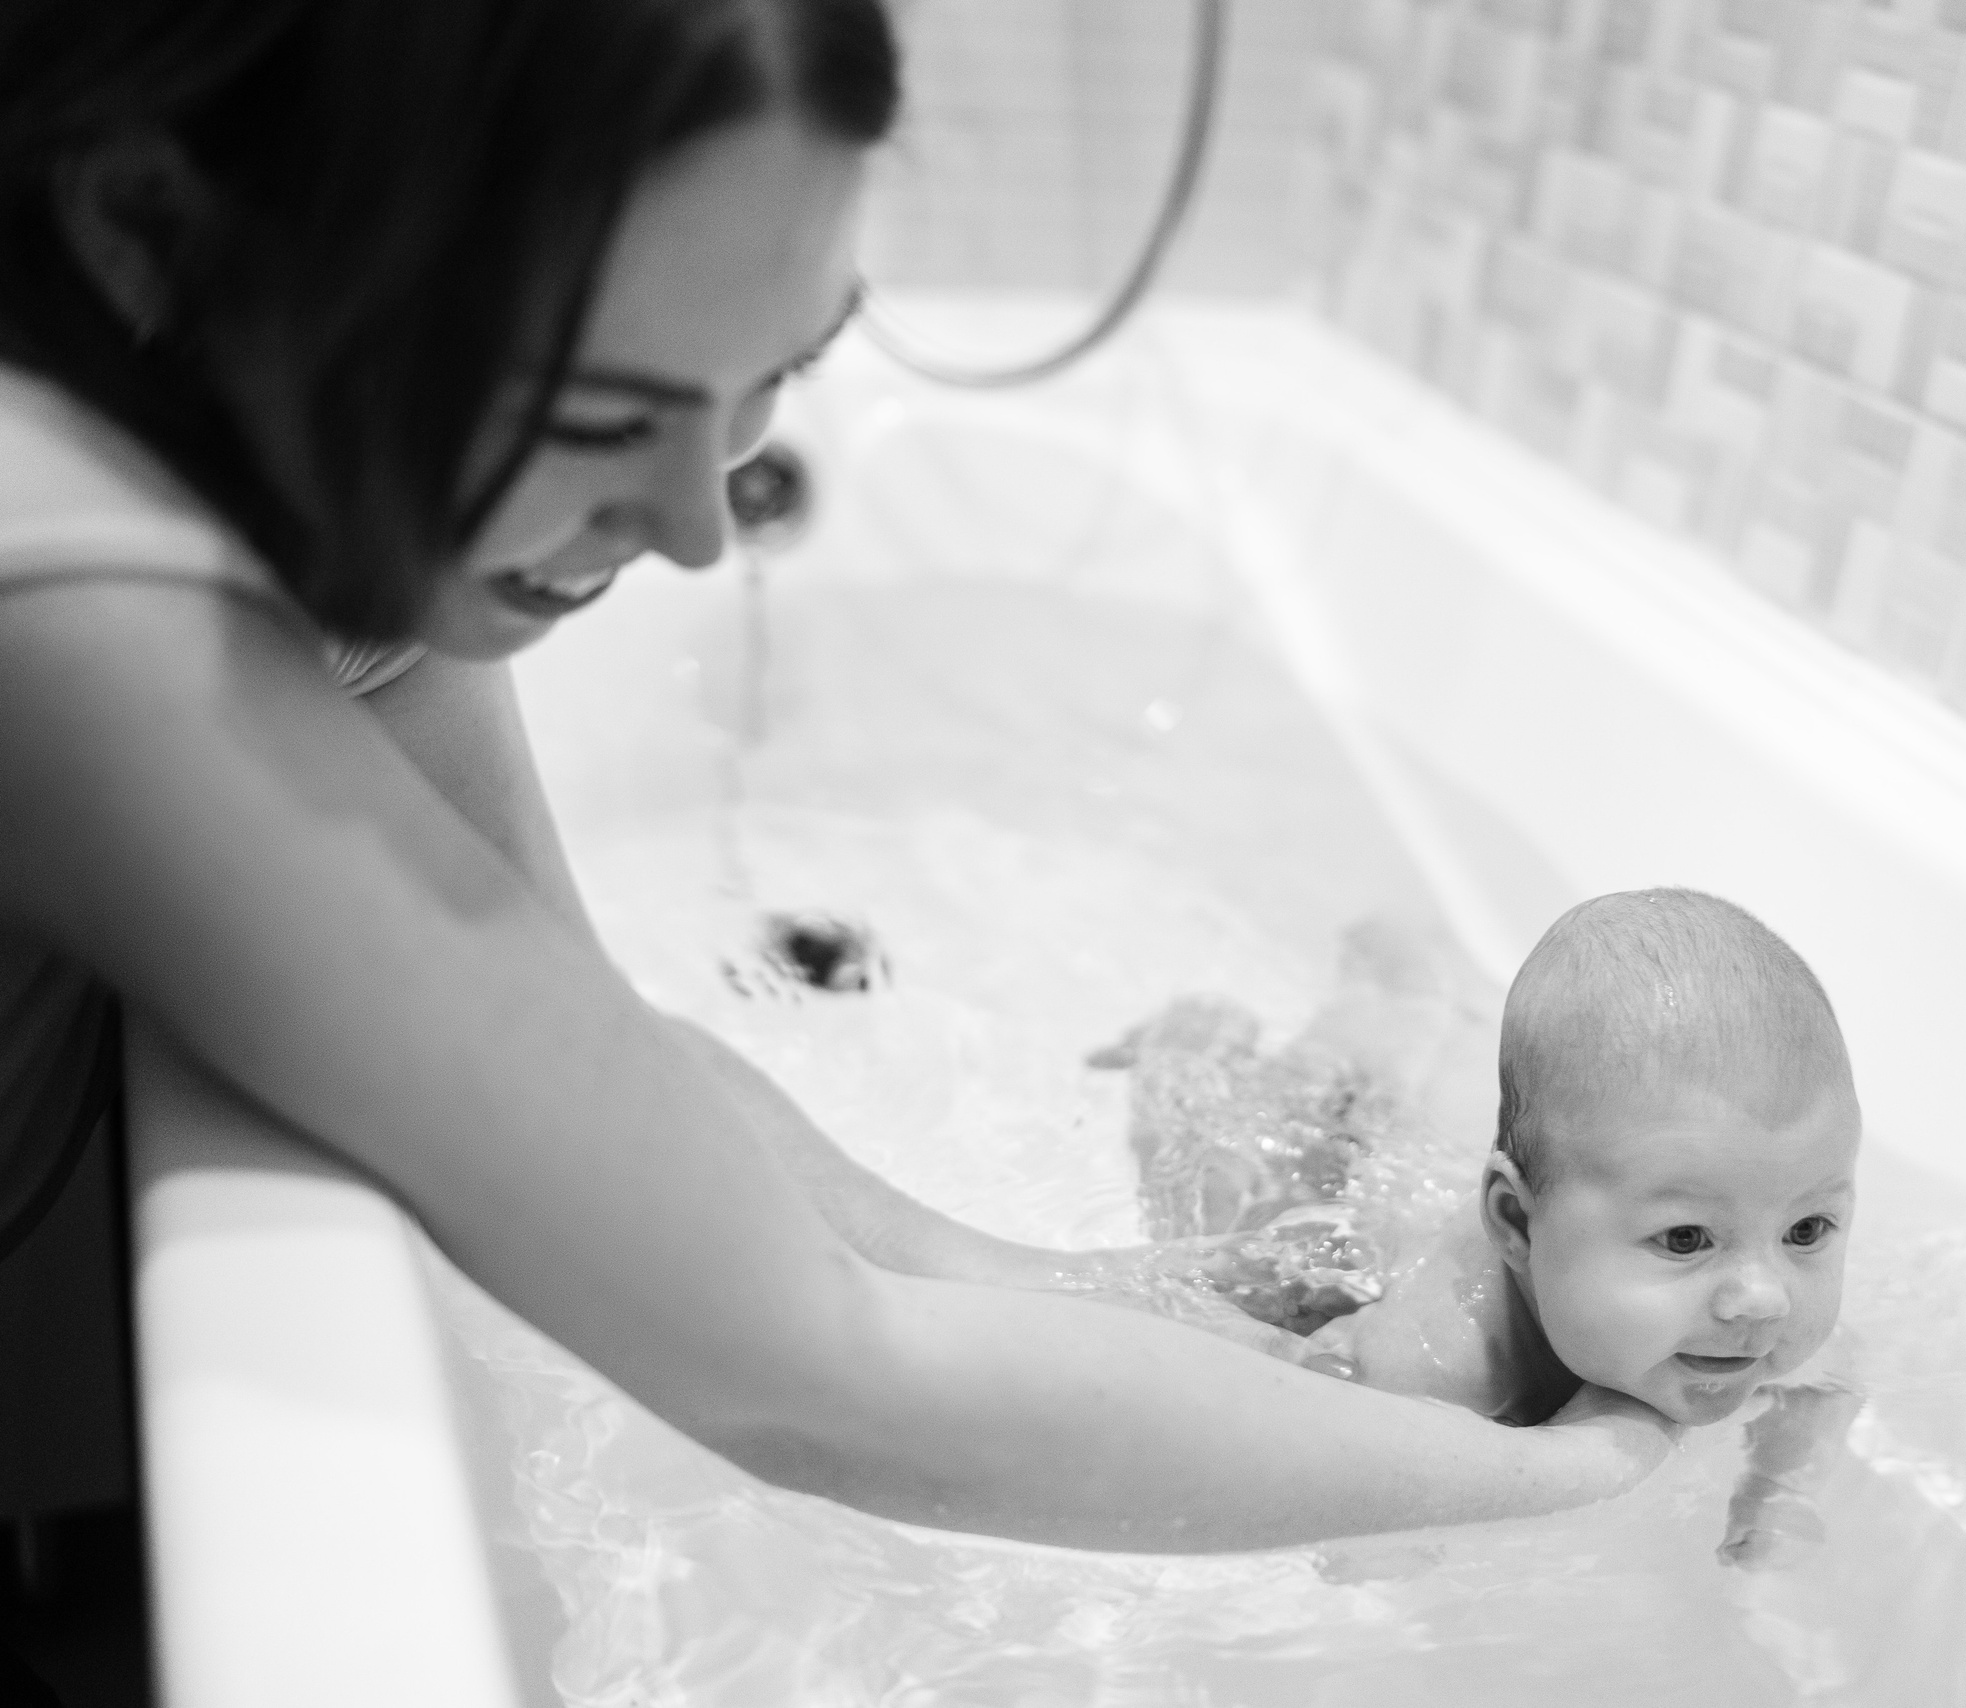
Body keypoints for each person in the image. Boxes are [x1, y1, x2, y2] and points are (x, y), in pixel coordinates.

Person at [0, 0, 1673, 1556]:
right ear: (145, 230)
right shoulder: (74, 599)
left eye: (771, 381)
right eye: (597, 414)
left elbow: (580, 1030)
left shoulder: (335, 515)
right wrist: (1562, 1480)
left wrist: (1058, 1281)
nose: (693, 526)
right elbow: (815, 1376)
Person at [1104, 891, 1865, 1564]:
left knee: (1439, 1038)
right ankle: (1191, 1048)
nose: (1764, 1300)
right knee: (1221, 1203)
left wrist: (1777, 1495)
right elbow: (1345, 1541)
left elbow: (1829, 1381)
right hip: (1378, 1143)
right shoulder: (1438, 1356)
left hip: (1480, 1111)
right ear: (1514, 1224)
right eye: (1686, 1239)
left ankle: (1407, 969)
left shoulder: (1768, 1307)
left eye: (1808, 1229)